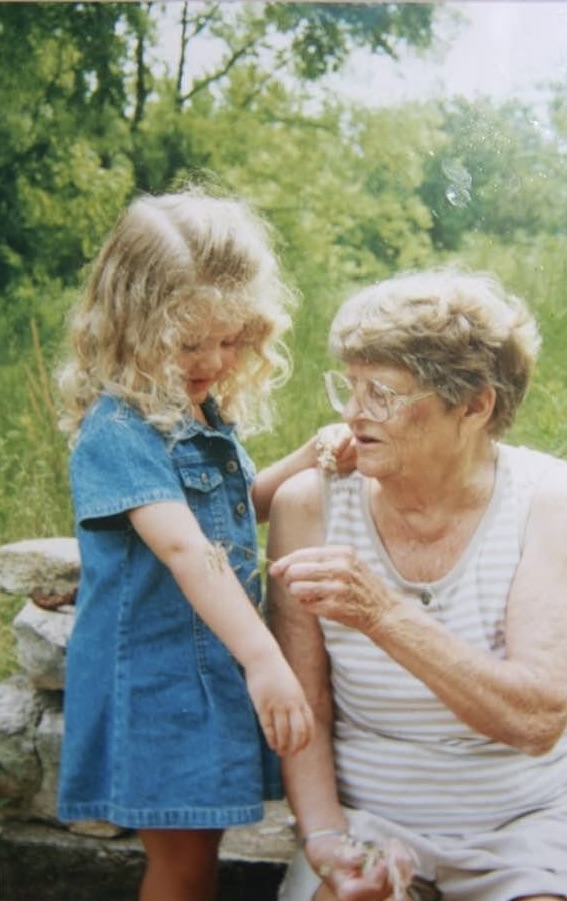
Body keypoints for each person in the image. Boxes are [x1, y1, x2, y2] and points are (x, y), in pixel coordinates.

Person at [56, 188, 353, 901]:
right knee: (183, 865)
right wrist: (265, 658)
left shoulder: (197, 409)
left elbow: (230, 513)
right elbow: (187, 549)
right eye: (190, 344)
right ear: (131, 328)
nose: (214, 359)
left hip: (203, 669)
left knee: (201, 852)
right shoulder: (118, 430)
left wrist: (308, 458)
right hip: (156, 683)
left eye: (230, 339)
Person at [267, 267, 567, 901]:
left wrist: (385, 614)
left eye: (381, 393)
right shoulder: (310, 506)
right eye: (350, 387)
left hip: (526, 825)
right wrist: (327, 841)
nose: (352, 414)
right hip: (369, 822)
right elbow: (307, 705)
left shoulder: (549, 501)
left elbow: (536, 718)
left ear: (474, 406)